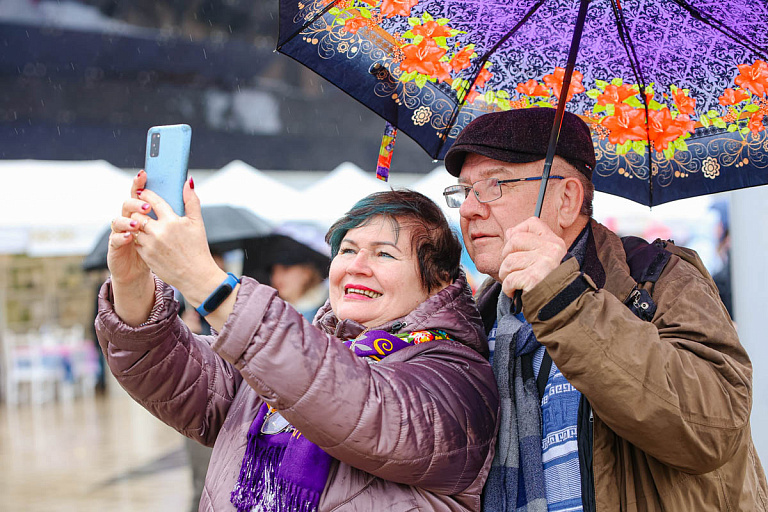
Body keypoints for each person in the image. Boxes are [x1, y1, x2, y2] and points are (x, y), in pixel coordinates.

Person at [95, 178, 499, 512]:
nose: (357, 265)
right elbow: (179, 374)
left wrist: (206, 282)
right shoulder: (296, 355)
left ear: (442, 281)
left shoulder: (456, 375)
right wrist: (132, 284)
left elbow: (350, 400)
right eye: (347, 250)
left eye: (384, 254)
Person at [441, 107, 767, 511]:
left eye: (494, 186)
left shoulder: (659, 279)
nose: (469, 209)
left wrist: (563, 299)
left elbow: (711, 428)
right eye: (464, 191)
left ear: (566, 199)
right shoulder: (478, 316)